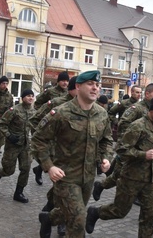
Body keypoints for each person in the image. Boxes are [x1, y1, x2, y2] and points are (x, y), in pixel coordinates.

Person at [32, 70, 113, 238]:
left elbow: (106, 140)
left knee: (70, 211)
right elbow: (38, 139)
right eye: (90, 84)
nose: (95, 88)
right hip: (66, 176)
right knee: (78, 220)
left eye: (97, 85)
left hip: (88, 176)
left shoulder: (102, 114)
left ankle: (47, 218)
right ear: (77, 86)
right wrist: (49, 166)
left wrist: (106, 157)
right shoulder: (61, 112)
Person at [85, 95, 153, 237]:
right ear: (152, 110)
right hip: (131, 177)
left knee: (150, 215)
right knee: (119, 211)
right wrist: (143, 155)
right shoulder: (138, 126)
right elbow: (121, 150)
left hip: (149, 179)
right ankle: (95, 212)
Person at [92, 83, 153, 202]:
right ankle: (101, 185)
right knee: (120, 172)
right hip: (131, 147)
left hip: (147, 150)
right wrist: (128, 140)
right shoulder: (137, 108)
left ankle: (138, 193)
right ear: (148, 94)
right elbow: (123, 123)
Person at [29, 76, 77, 237]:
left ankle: (48, 211)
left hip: (76, 155)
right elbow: (35, 119)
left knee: (62, 188)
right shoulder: (56, 102)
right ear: (74, 88)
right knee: (66, 189)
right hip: (58, 153)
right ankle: (60, 222)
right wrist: (47, 137)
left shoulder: (87, 106)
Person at [0, 89, 36, 203]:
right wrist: (9, 136)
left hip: (26, 145)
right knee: (9, 170)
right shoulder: (14, 110)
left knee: (26, 168)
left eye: (32, 96)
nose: (31, 98)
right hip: (13, 145)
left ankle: (18, 192)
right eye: (28, 96)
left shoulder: (33, 112)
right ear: (22, 97)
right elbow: (1, 125)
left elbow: (35, 128)